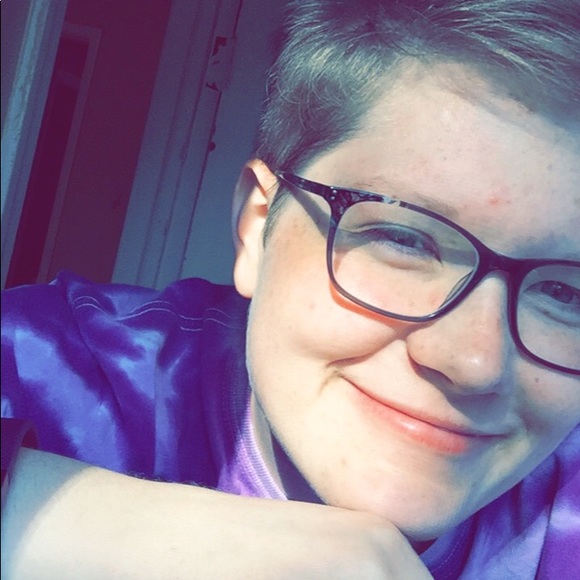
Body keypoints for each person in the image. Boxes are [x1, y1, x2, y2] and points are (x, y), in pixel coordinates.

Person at [1, 0, 579, 577]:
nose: (474, 364)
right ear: (257, 227)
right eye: (403, 240)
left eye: (564, 293)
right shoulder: (51, 367)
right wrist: (65, 517)